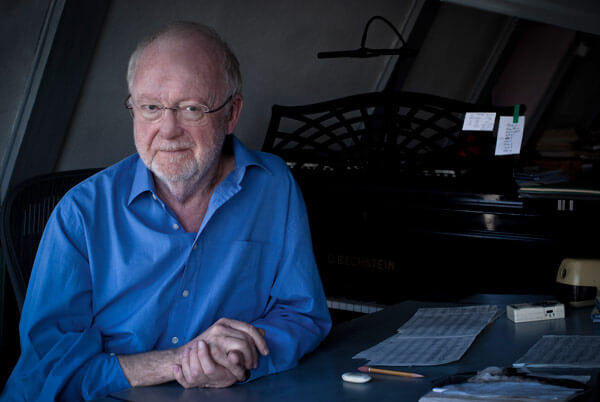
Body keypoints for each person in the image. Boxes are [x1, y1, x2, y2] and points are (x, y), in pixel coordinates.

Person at [1, 21, 331, 400]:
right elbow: (47, 371)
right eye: (151, 108)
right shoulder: (80, 213)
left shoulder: (274, 185)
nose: (168, 129)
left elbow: (302, 314)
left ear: (232, 113)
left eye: (191, 108)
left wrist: (239, 358)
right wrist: (181, 360)